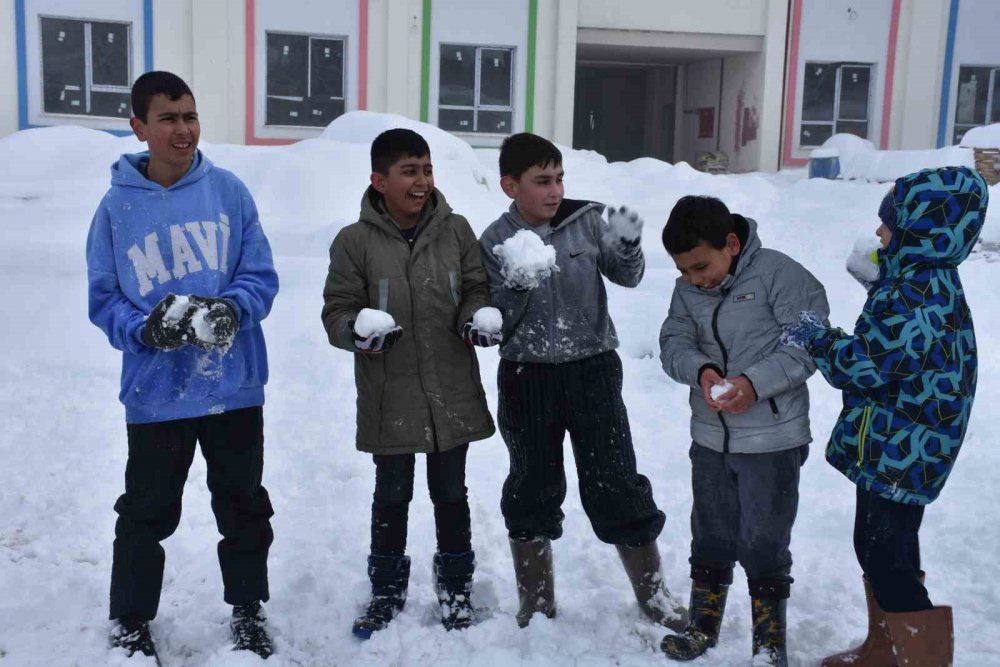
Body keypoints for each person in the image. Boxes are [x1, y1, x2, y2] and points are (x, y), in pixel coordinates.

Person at [87, 71, 279, 660]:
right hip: (156, 393)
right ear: (139, 126)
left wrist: (230, 310)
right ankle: (132, 618)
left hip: (233, 387)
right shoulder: (117, 208)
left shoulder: (229, 193)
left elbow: (261, 278)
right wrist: (143, 329)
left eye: (190, 116)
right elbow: (103, 298)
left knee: (243, 505)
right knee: (146, 511)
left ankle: (248, 609)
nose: (183, 130)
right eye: (168, 118)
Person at [478, 132, 687, 631]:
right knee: (531, 482)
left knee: (615, 480)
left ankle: (653, 595)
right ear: (511, 185)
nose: (554, 190)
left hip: (592, 368)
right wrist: (514, 287)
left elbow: (626, 276)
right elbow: (493, 318)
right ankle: (536, 599)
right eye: (542, 181)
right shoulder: (493, 242)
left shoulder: (585, 221)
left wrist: (627, 245)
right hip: (527, 376)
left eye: (559, 178)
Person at [782, 166, 988, 667]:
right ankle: (886, 649)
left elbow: (868, 365)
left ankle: (919, 657)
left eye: (889, 223)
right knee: (877, 546)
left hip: (906, 447)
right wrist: (880, 282)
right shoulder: (920, 280)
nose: (878, 232)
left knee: (887, 557)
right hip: (900, 442)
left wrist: (817, 337)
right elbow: (898, 347)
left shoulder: (918, 292)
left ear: (922, 229)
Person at [321, 128, 498, 639]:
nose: (421, 181)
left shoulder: (457, 230)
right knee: (391, 494)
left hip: (450, 388)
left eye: (426, 169)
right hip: (390, 393)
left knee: (451, 494)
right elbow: (337, 309)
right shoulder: (354, 242)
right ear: (379, 181)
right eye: (408, 171)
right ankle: (386, 590)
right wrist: (355, 332)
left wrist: (475, 318)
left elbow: (475, 288)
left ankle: (457, 589)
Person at [658, 195, 829, 666]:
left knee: (763, 538)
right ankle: (703, 624)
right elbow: (673, 341)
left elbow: (810, 344)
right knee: (709, 530)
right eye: (684, 271)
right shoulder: (687, 287)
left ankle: (770, 641)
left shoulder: (781, 275)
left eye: (700, 266)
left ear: (731, 243)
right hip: (710, 436)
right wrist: (701, 370)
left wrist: (756, 384)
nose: (694, 279)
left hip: (773, 439)